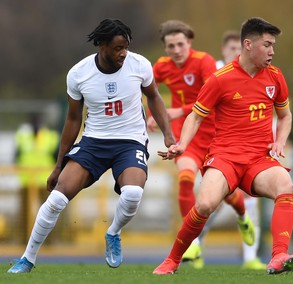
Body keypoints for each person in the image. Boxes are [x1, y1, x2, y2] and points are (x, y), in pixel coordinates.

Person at [7, 18, 175, 273]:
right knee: (56, 200)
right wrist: (58, 165)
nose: (123, 53)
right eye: (118, 48)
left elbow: (153, 97)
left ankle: (113, 232)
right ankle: (27, 259)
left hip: (130, 142)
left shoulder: (139, 64)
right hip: (94, 143)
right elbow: (73, 119)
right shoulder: (79, 74)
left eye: (126, 47)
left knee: (132, 193)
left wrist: (168, 135)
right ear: (102, 46)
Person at [153, 17, 293, 275]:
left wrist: (279, 141)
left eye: (273, 45)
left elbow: (286, 116)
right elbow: (195, 116)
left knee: (286, 186)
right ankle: (172, 260)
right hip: (225, 158)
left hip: (259, 160)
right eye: (267, 45)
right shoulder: (220, 79)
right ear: (248, 44)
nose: (272, 51)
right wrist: (181, 145)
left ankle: (279, 256)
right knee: (205, 205)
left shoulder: (276, 77)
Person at [147, 19, 255, 268]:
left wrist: (175, 111)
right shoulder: (162, 67)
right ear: (165, 48)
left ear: (189, 43)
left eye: (180, 44)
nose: (176, 50)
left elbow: (212, 98)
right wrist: (153, 115)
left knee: (226, 195)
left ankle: (243, 216)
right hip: (185, 137)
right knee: (185, 177)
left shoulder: (204, 62)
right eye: (170, 46)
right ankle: (193, 242)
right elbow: (146, 89)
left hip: (214, 136)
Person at [215, 29, 265, 270]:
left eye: (239, 49)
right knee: (208, 204)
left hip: (244, 151)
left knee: (251, 204)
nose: (236, 53)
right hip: (212, 149)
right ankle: (195, 249)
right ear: (223, 51)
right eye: (232, 49)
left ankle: (250, 257)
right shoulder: (213, 73)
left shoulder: (254, 76)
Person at [15, 113, 59, 242]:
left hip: (45, 181)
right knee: (24, 213)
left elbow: (56, 158)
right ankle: (24, 240)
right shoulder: (22, 137)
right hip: (26, 180)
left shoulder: (50, 137)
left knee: (48, 212)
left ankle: (48, 241)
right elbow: (17, 155)